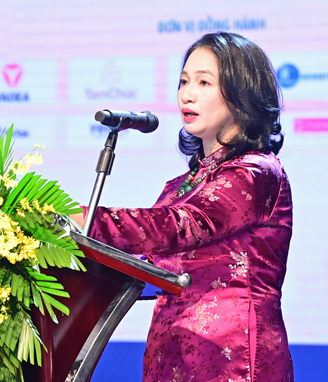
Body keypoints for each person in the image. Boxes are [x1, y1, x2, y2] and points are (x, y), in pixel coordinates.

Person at [77, 31, 294, 382]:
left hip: (233, 360)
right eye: (183, 81)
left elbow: (181, 225)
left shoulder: (256, 172)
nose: (187, 94)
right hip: (172, 355)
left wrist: (84, 219)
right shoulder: (181, 186)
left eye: (204, 82)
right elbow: (148, 263)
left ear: (242, 94)